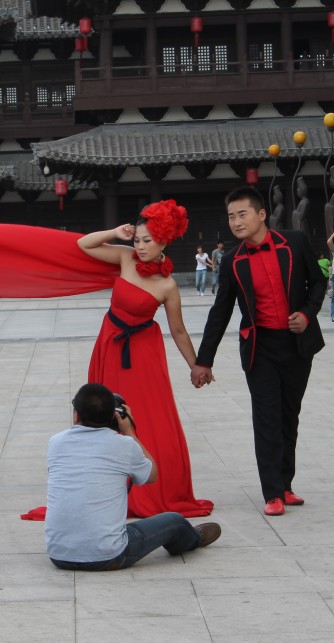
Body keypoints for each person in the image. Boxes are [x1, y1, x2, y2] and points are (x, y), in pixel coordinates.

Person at [73, 200, 214, 518]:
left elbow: (178, 331)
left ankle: (151, 486)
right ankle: (107, 484)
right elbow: (84, 245)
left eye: (147, 240)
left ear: (163, 240)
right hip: (110, 345)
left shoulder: (167, 285)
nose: (140, 245)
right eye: (137, 239)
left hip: (144, 355)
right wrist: (115, 232)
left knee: (150, 417)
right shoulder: (125, 258)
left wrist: (197, 365)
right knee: (105, 414)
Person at [192, 186, 326, 517]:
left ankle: (286, 484)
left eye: (242, 214)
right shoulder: (233, 262)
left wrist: (307, 314)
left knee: (288, 415)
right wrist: (202, 361)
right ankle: (272, 493)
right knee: (266, 417)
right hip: (260, 348)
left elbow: (318, 282)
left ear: (261, 214)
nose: (236, 222)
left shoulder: (294, 243)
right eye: (231, 216)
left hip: (296, 345)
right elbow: (220, 312)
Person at [45, 383, 221, 571]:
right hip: (108, 557)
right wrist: (130, 432)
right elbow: (152, 475)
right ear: (116, 416)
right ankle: (193, 538)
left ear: (76, 415)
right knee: (174, 520)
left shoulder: (56, 442)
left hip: (58, 555)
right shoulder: (124, 445)